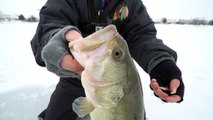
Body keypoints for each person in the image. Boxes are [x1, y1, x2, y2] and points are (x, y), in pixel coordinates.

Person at [31, 0, 185, 120]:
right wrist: (55, 40)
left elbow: (142, 35)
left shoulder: (132, 3)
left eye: (116, 53)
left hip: (114, 80)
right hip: (72, 76)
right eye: (116, 53)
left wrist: (160, 61)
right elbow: (51, 23)